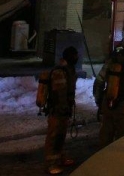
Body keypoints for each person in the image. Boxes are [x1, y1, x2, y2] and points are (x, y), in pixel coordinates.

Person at [43, 46, 79, 174]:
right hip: (57, 110)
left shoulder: (68, 70)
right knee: (54, 136)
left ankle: (60, 158)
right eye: (74, 55)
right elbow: (59, 92)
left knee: (61, 135)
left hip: (63, 109)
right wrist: (63, 107)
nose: (76, 58)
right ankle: (51, 164)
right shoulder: (60, 71)